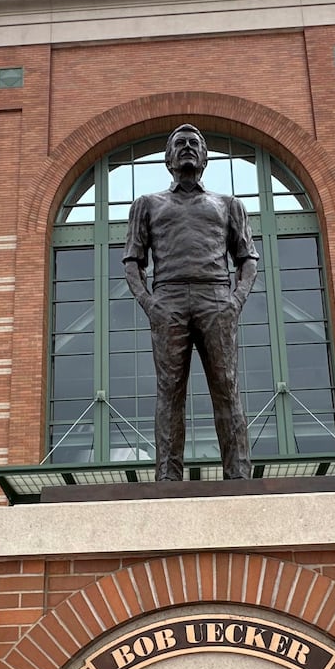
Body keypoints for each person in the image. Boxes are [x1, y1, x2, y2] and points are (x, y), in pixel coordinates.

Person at [123, 124, 259, 481]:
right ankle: (168, 476)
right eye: (179, 144)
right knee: (169, 391)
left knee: (227, 387)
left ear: (204, 157)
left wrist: (236, 300)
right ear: (168, 158)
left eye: (194, 143)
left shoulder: (228, 205)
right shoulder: (147, 204)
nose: (186, 147)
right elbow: (132, 261)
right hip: (167, 298)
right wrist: (149, 304)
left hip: (215, 296)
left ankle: (239, 475)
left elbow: (247, 259)